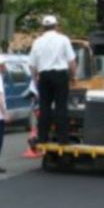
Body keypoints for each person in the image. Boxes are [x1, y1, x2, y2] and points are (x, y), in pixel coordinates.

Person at [28, 15, 77, 146]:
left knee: (44, 108)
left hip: (44, 76)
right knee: (61, 107)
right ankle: (63, 139)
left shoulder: (37, 42)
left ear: (43, 27)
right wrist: (72, 77)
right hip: (60, 75)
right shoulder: (63, 39)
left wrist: (35, 79)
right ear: (56, 26)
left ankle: (42, 137)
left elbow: (32, 65)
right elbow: (72, 61)